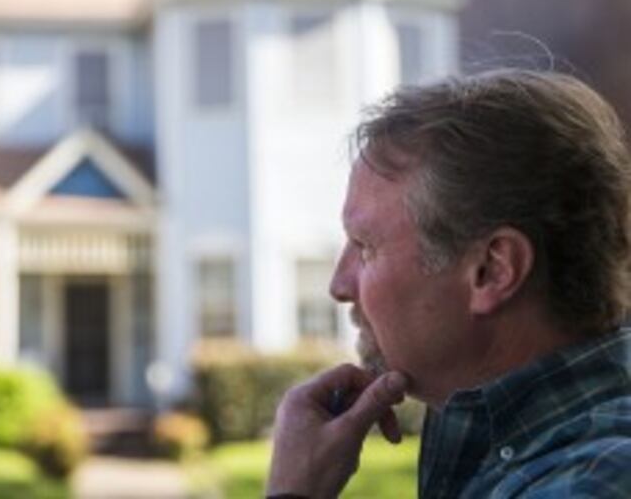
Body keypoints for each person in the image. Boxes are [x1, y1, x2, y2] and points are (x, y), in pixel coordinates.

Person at [267, 69, 631, 498]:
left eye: (365, 247)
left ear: (492, 270)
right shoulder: (534, 455)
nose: (339, 286)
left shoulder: (593, 482)